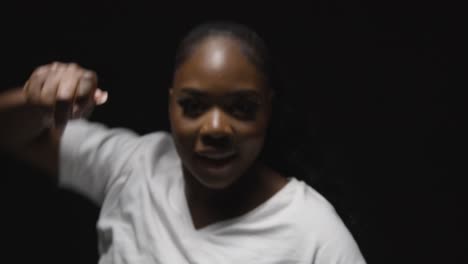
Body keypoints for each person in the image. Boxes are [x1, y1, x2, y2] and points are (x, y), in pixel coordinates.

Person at [0, 21, 366, 263]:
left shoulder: (314, 234)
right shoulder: (135, 166)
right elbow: (11, 133)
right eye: (193, 106)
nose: (216, 128)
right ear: (170, 105)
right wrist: (38, 102)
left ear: (268, 109)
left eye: (241, 107)